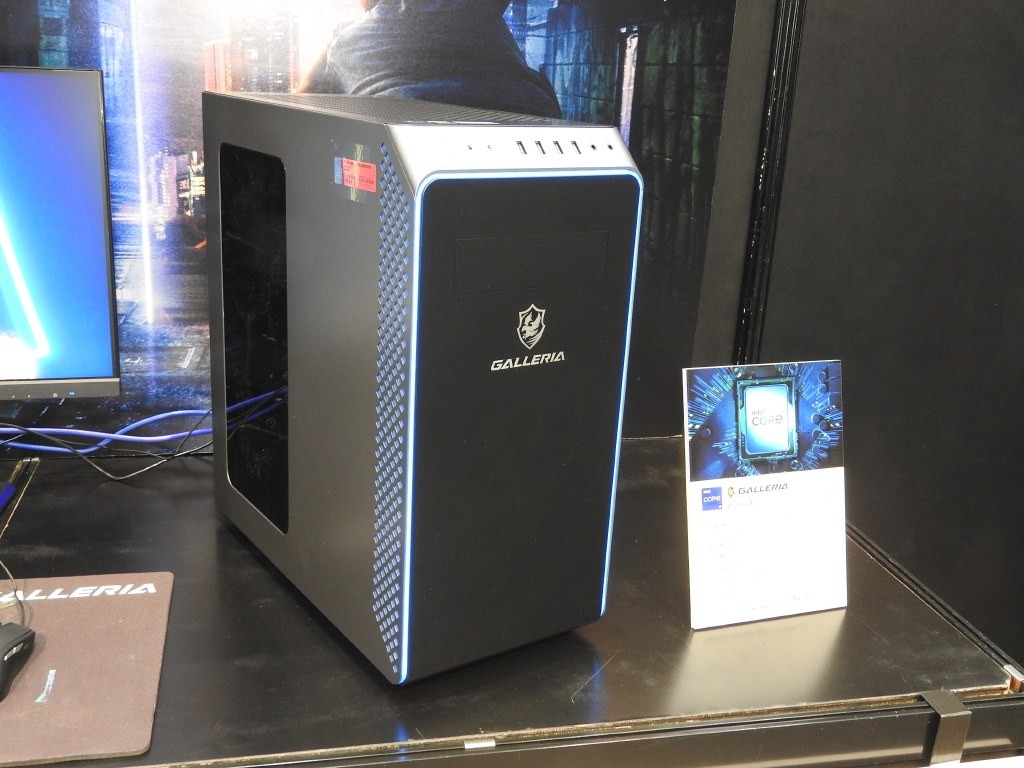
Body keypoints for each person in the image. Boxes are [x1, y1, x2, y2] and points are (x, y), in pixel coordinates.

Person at [300, 0, 562, 119]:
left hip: (406, 143)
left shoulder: (350, 43)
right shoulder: (488, 21)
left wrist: (333, 44)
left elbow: (295, 116)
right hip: (537, 123)